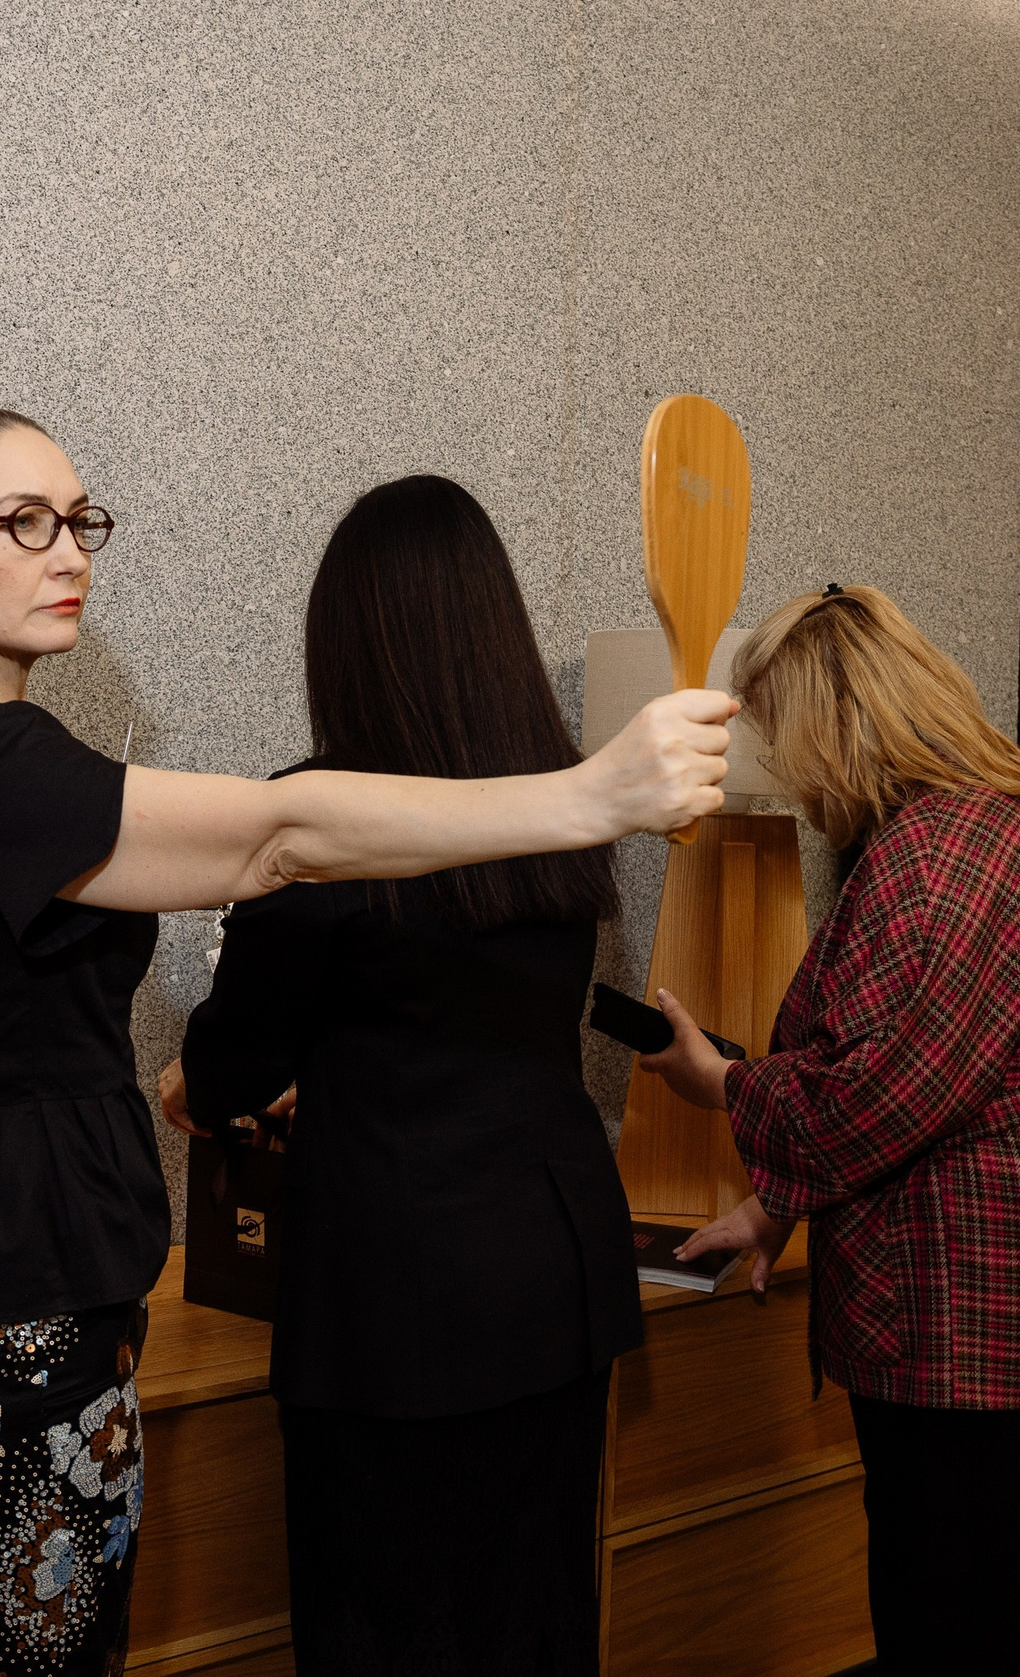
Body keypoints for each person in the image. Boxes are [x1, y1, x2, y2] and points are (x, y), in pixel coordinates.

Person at [0, 410, 735, 1677]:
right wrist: (593, 797)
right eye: (21, 523)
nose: (67, 551)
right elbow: (275, 839)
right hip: (13, 1306)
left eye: (79, 521)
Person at [156, 474, 640, 1676]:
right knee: (535, 1613)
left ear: (349, 643)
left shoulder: (322, 822)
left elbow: (229, 1070)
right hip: (555, 1260)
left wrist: (202, 1082)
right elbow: (477, 1016)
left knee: (385, 1620)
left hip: (393, 1291)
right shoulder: (559, 804)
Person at [643, 584, 1020, 1677]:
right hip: (1017, 1288)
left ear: (840, 724)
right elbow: (914, 1076)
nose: (788, 771)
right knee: (992, 1587)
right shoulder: (980, 823)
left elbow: (872, 1100)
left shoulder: (939, 865)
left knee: (954, 1609)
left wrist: (722, 1086)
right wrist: (773, 1201)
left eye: (788, 738)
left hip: (981, 1304)